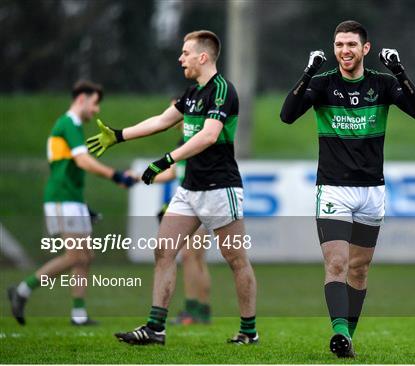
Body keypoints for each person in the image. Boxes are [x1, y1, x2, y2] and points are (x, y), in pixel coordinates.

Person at [86, 30, 257, 345]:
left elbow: (207, 136)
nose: (181, 58)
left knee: (236, 259)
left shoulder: (222, 91)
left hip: (220, 189)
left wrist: (163, 162)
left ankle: (248, 331)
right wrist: (120, 134)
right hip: (189, 190)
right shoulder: (192, 92)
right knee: (164, 251)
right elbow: (161, 120)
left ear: (202, 57)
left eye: (186, 53)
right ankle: (155, 329)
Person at [280, 20, 415, 358]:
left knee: (359, 270)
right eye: (339, 45)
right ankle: (339, 332)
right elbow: (287, 115)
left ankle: (346, 339)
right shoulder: (322, 84)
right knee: (336, 264)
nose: (344, 51)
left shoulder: (383, 83)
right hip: (333, 189)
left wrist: (401, 71)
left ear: (365, 49)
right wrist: (307, 73)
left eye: (351, 45)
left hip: (372, 191)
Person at [7, 80, 137, 326]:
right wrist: (116, 175)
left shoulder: (73, 125)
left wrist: (83, 206)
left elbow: (75, 165)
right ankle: (23, 289)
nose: (96, 110)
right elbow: (83, 162)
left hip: (73, 199)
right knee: (76, 255)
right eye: (95, 103)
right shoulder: (68, 123)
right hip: (61, 198)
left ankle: (78, 315)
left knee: (86, 256)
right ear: (82, 99)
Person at [153, 124, 212, 326]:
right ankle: (203, 309)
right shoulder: (184, 143)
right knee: (197, 259)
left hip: (198, 204)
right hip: (199, 204)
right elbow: (171, 173)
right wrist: (140, 177)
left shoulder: (196, 141)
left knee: (189, 257)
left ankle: (192, 309)